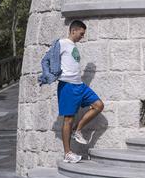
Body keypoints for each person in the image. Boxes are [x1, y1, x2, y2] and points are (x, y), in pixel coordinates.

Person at [40, 20, 104, 164]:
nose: (83, 36)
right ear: (73, 30)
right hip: (67, 86)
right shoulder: (61, 43)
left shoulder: (73, 46)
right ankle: (67, 153)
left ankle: (78, 130)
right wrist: (49, 75)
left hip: (80, 85)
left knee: (99, 105)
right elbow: (45, 60)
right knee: (68, 119)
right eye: (81, 33)